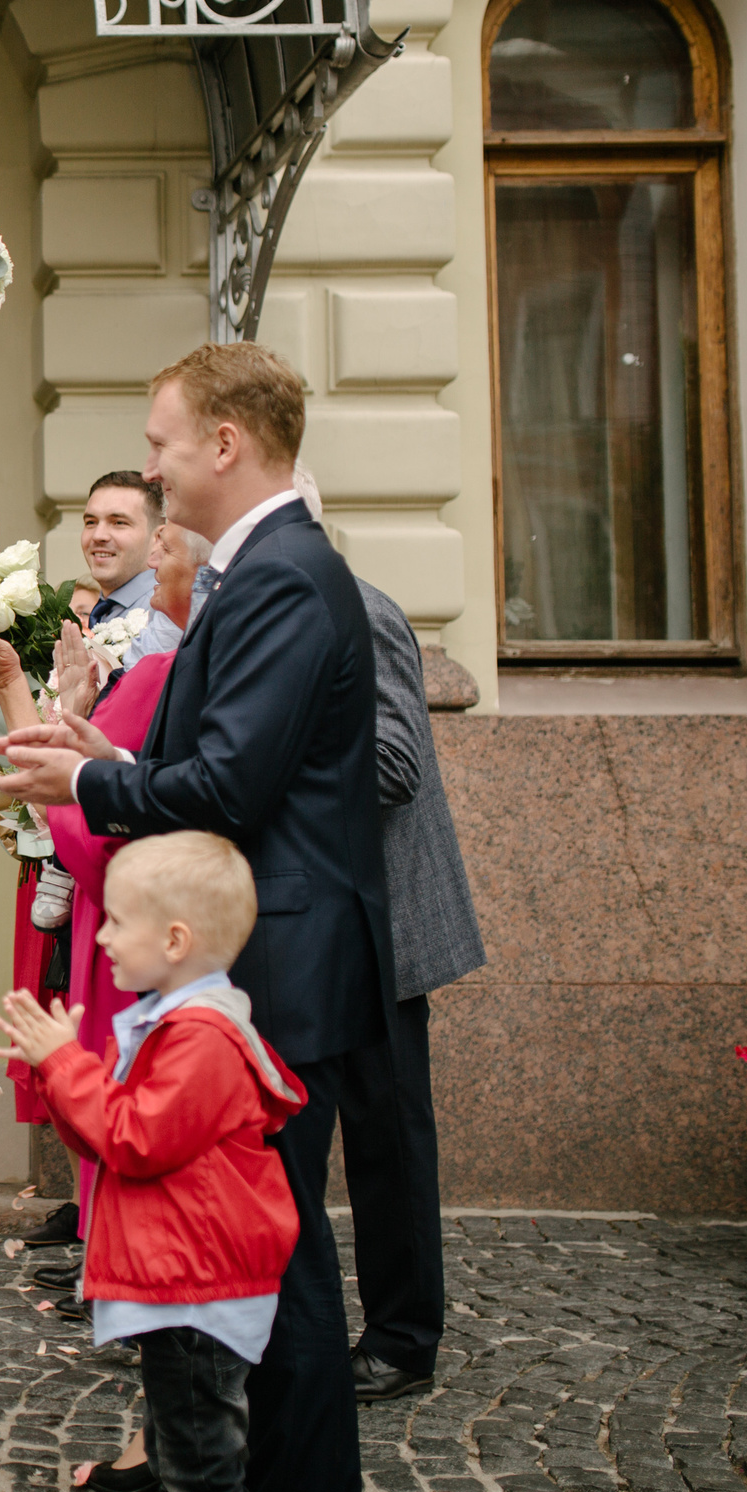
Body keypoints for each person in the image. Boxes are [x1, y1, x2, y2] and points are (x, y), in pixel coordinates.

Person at [0, 341, 391, 1492]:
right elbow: (207, 762)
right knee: (270, 1257)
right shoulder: (258, 569)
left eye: (164, 447)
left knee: (284, 1269)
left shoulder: (279, 576)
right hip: (281, 951)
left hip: (287, 959)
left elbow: (228, 788)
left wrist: (87, 791)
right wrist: (100, 754)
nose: (156, 472)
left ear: (224, 444)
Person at [0, 522, 208, 1298]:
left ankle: (135, 1283)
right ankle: (113, 1267)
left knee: (125, 1100)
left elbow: (86, 817)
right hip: (114, 915)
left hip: (132, 917)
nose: (150, 556)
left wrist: (18, 690)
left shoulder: (163, 673)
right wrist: (65, 699)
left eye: (169, 549)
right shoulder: (157, 668)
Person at [0, 831, 305, 1492]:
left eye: (115, 919)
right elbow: (106, 1135)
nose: (100, 936)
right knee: (182, 1467)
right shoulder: (167, 1023)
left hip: (200, 1294)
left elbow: (135, 1139)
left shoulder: (201, 1037)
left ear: (174, 940)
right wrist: (56, 1071)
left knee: (203, 1482)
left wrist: (65, 1066)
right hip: (185, 1285)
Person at [283, 472, 486, 1404]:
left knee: (389, 1137)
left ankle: (405, 1337)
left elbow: (395, 764)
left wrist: (263, 778)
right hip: (323, 919)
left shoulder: (360, 611)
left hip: (385, 921)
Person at [82, 470, 179, 663]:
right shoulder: (102, 610)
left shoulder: (165, 614)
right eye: (91, 522)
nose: (98, 535)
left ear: (158, 538)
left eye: (118, 522)